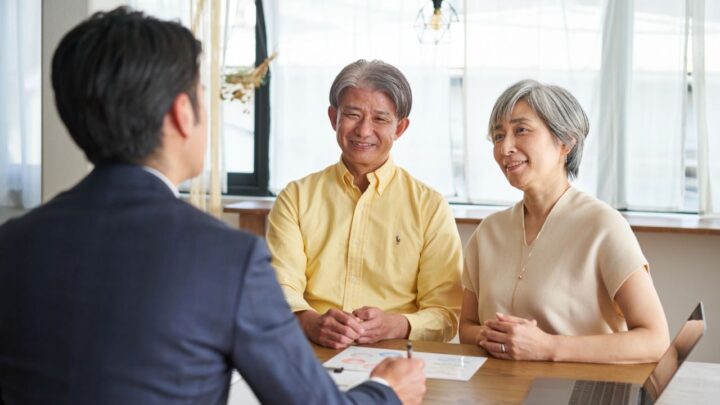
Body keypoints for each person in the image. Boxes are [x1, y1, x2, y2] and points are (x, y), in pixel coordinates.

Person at [0, 8, 426, 404]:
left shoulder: (12, 242)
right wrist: (388, 388)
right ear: (183, 113)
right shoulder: (227, 259)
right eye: (203, 94)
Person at [458, 79, 670, 363]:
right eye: (498, 136)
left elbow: (655, 340)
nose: (505, 147)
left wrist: (548, 347)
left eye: (521, 130)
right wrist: (492, 337)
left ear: (565, 142)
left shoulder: (603, 226)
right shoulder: (488, 231)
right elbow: (467, 327)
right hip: (499, 390)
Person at [267, 60, 463, 349]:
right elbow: (278, 289)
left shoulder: (430, 207)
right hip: (309, 353)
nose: (363, 130)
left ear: (401, 127)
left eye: (380, 119)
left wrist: (398, 324)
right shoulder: (295, 198)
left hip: (397, 358)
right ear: (333, 117)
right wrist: (309, 321)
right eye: (352, 114)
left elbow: (447, 313)